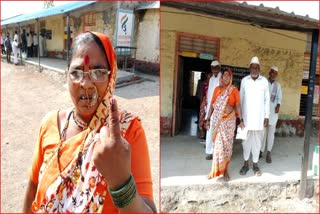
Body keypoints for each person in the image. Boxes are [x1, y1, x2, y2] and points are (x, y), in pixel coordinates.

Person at [22, 31, 156, 213]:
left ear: (111, 77)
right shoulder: (50, 124)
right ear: (67, 74)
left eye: (98, 72)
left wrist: (121, 183)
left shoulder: (128, 131)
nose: (85, 83)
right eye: (76, 73)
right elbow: (32, 188)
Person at [206, 69, 243, 181]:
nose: (225, 78)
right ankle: (215, 171)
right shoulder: (217, 90)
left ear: (230, 78)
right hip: (218, 122)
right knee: (218, 147)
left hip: (229, 122)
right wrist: (207, 119)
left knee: (227, 147)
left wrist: (241, 120)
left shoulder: (234, 90)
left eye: (228, 76)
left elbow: (237, 106)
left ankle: (225, 170)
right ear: (221, 78)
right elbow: (212, 106)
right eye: (224, 76)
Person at [239, 56, 270, 176]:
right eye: (252, 67)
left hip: (259, 119)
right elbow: (240, 100)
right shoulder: (244, 81)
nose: (254, 69)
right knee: (245, 142)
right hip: (246, 118)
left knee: (257, 142)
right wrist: (240, 118)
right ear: (249, 68)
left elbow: (267, 100)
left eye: (256, 67)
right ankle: (245, 164)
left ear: (259, 68)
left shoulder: (264, 81)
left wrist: (267, 116)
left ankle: (255, 165)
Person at [260, 66, 282, 163]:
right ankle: (260, 151)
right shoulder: (264, 82)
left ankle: (268, 152)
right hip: (264, 111)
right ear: (269, 73)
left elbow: (279, 97)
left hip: (273, 112)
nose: (273, 74)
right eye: (272, 72)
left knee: (271, 134)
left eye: (275, 73)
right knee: (262, 133)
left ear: (276, 75)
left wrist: (278, 105)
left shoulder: (278, 85)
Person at [204, 60, 222, 160]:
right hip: (210, 108)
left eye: (216, 67)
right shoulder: (210, 79)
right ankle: (210, 151)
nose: (215, 70)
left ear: (219, 67)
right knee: (210, 130)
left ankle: (217, 151)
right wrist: (207, 105)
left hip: (219, 109)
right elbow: (209, 94)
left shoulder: (222, 78)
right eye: (213, 68)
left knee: (218, 130)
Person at [198, 73, 211, 139]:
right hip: (204, 103)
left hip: (211, 104)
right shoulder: (205, 85)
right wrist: (201, 104)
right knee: (202, 118)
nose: (209, 79)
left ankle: (207, 135)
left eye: (210, 78)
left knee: (208, 119)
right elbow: (202, 95)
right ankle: (202, 133)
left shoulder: (214, 86)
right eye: (208, 78)